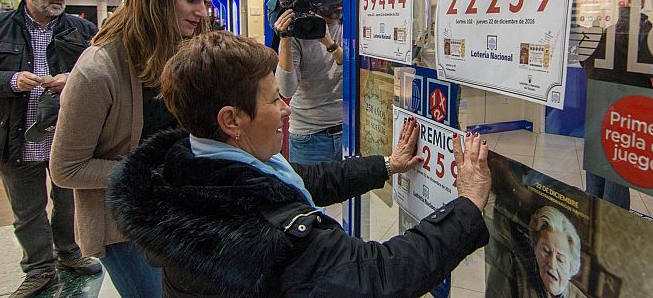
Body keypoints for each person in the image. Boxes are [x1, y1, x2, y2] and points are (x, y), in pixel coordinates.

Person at [107, 31, 492, 297]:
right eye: (274, 100)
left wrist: (387, 165)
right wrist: (468, 204)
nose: (286, 109)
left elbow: (302, 180)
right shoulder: (269, 237)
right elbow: (378, 276)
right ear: (232, 120)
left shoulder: (190, 166)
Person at [49, 0, 213, 298]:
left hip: (177, 212)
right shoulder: (97, 71)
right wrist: (156, 171)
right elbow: (66, 169)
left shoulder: (179, 52)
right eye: (191, 0)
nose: (202, 11)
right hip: (124, 226)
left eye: (205, 0)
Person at [0, 0, 100, 297]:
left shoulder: (81, 29)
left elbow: (102, 69)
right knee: (27, 209)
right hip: (14, 133)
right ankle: (38, 268)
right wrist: (11, 81)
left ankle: (70, 253)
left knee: (69, 201)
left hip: (67, 132)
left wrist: (71, 79)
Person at [581, 0, 653, 210]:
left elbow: (587, 62)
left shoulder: (606, 32)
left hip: (599, 101)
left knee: (597, 162)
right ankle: (612, 218)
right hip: (626, 108)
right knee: (616, 167)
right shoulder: (642, 33)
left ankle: (594, 214)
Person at [275, 0, 345, 165]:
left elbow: (356, 75)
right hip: (310, 137)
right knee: (311, 196)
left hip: (349, 130)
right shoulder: (299, 33)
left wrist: (330, 45)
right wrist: (286, 39)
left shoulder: (351, 27)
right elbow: (286, 89)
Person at [527, 206, 586, 298]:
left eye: (560, 259)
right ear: (535, 248)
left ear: (571, 266)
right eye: (545, 251)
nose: (552, 264)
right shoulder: (516, 274)